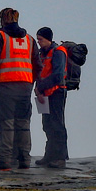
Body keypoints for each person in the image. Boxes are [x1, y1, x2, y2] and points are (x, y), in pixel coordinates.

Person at [0, 8, 40, 170]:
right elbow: (38, 65)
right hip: (25, 87)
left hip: (5, 86)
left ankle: (4, 160)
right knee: (24, 124)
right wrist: (31, 82)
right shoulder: (29, 39)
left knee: (7, 124)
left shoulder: (0, 37)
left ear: (2, 19)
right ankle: (24, 160)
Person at [33, 27, 69, 168]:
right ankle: (49, 156)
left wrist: (40, 88)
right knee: (47, 125)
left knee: (57, 125)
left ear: (48, 38)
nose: (39, 42)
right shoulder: (42, 54)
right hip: (45, 94)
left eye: (40, 39)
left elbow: (58, 75)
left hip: (57, 92)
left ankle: (60, 158)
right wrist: (38, 90)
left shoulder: (59, 52)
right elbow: (40, 73)